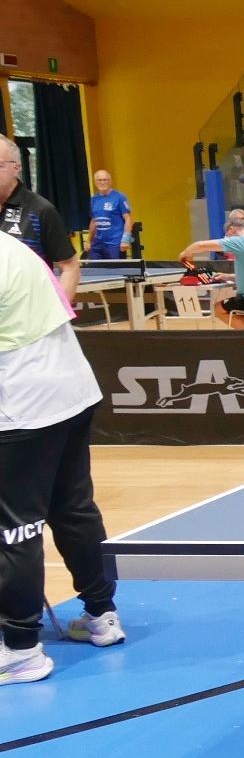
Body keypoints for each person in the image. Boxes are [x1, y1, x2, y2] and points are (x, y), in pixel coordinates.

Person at [0, 230, 126, 683]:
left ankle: (20, 649)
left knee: (14, 528)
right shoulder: (11, 245)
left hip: (21, 405)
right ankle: (101, 616)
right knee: (72, 508)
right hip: (71, 391)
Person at [0, 137, 79, 301]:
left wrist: (57, 311)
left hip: (27, 312)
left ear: (16, 168)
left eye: (0, 165)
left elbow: (70, 268)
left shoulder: (41, 210)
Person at [178, 217, 244, 329]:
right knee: (238, 308)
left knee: (218, 309)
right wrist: (227, 276)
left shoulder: (240, 241)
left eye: (227, 235)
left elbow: (201, 245)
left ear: (231, 229)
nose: (227, 238)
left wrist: (185, 253)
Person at [85, 171, 133, 261]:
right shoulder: (94, 199)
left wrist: (126, 239)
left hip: (115, 243)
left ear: (110, 181)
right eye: (99, 180)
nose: (102, 182)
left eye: (105, 180)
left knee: (115, 268)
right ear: (95, 182)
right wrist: (89, 241)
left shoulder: (119, 197)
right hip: (98, 242)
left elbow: (128, 218)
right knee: (94, 267)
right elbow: (94, 221)